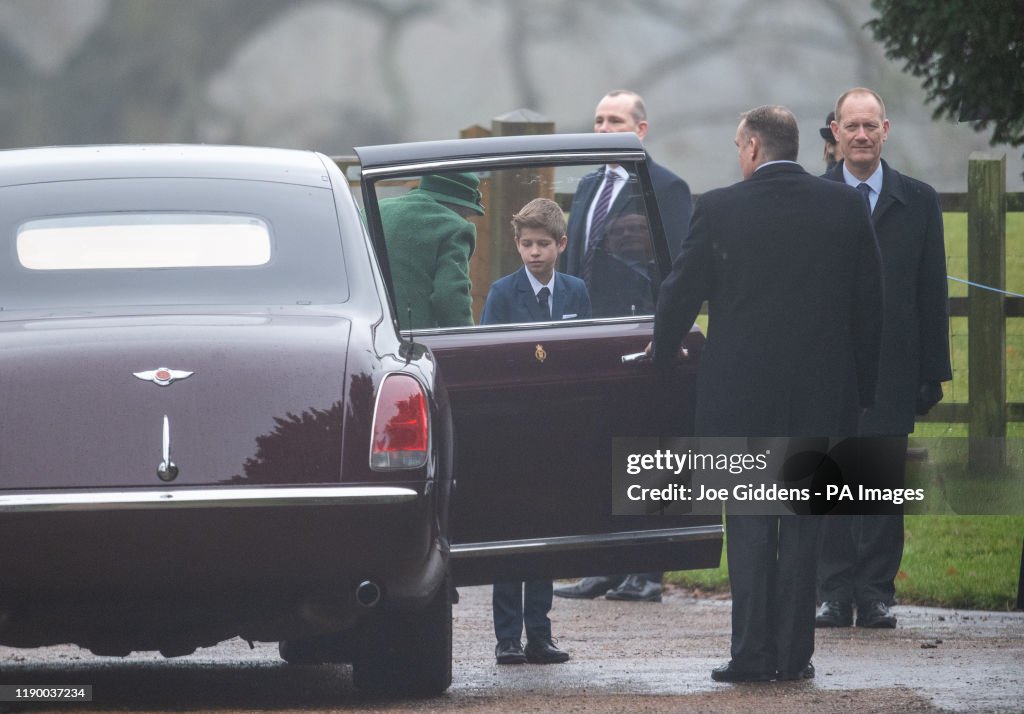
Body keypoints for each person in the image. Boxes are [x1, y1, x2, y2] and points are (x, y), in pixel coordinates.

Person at [652, 105, 883, 682]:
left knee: (752, 523)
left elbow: (680, 294)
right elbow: (870, 306)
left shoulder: (720, 208)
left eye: (738, 145)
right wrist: (860, 390)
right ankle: (794, 656)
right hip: (820, 396)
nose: (738, 154)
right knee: (804, 525)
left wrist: (661, 356)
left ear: (753, 148)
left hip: (740, 396)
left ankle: (752, 655)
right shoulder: (845, 206)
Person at [816, 88, 951, 630]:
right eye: (851, 126)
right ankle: (831, 590)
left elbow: (932, 291)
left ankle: (874, 592)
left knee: (880, 482)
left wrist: (932, 371)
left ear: (886, 130)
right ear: (835, 133)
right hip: (830, 364)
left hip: (894, 364)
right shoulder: (815, 197)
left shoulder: (917, 200)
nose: (861, 136)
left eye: (870, 126)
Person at [555, 89, 691, 603]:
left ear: (640, 130)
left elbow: (678, 269)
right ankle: (604, 565)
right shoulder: (588, 186)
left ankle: (648, 569)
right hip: (592, 336)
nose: (603, 128)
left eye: (615, 120)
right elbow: (575, 265)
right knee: (600, 446)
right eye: (597, 120)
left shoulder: (667, 187)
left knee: (651, 447)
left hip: (645, 337)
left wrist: (667, 336)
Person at [484, 197, 588, 664]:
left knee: (545, 531)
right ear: (516, 245)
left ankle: (540, 633)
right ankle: (507, 636)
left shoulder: (576, 292)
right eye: (526, 244)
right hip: (511, 427)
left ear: (561, 244)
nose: (534, 253)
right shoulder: (503, 293)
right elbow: (489, 356)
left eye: (543, 244)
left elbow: (585, 352)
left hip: (558, 425)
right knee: (511, 529)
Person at [377, 172, 484, 330]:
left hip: (361, 332)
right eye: (467, 214)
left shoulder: (375, 209)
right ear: (460, 206)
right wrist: (469, 345)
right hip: (411, 343)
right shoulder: (455, 227)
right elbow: (449, 297)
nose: (466, 219)